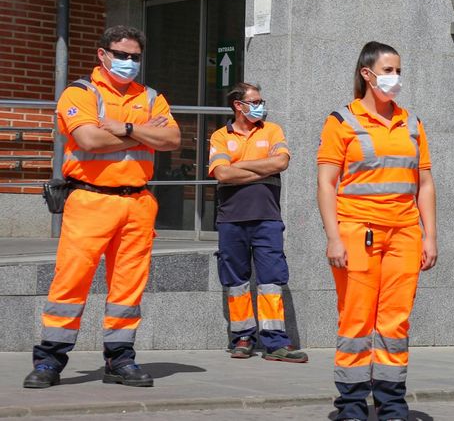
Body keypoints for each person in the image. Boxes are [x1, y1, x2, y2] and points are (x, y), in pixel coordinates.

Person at [24, 25, 181, 389]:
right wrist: (143, 129)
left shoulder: (151, 95)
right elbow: (88, 139)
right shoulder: (81, 92)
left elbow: (172, 138)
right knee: (71, 281)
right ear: (103, 54)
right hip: (89, 198)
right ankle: (49, 360)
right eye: (121, 55)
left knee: (128, 288)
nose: (128, 62)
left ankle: (120, 359)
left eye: (135, 57)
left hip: (138, 202)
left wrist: (125, 124)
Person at [318, 41, 438, 421]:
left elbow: (426, 184)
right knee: (356, 319)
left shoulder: (412, 123)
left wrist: (430, 235)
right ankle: (351, 404)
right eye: (388, 71)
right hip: (358, 232)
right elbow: (326, 183)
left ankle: (390, 402)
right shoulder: (342, 121)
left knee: (395, 320)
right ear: (367, 75)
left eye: (398, 70)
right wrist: (334, 237)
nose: (395, 78)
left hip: (404, 233)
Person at [208, 82, 306, 363]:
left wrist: (238, 166)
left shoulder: (272, 130)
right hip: (231, 218)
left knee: (272, 279)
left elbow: (281, 163)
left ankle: (275, 341)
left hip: (267, 218)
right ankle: (242, 338)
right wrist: (258, 170)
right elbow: (222, 175)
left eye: (261, 100)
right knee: (236, 281)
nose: (261, 105)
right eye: (255, 101)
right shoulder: (219, 136)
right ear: (239, 105)